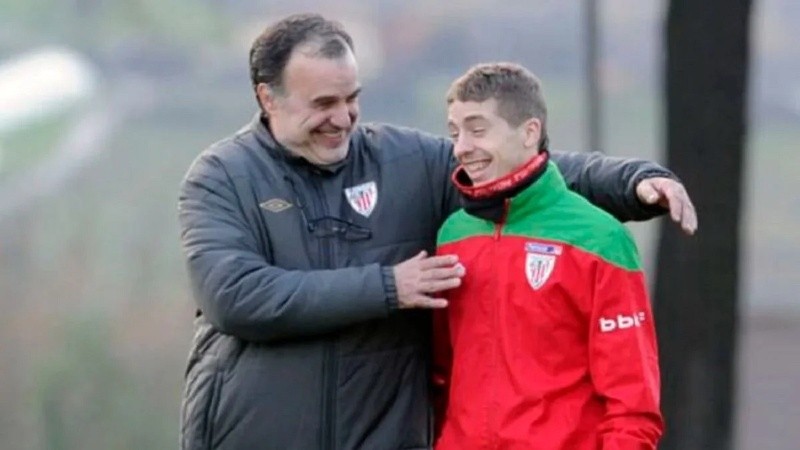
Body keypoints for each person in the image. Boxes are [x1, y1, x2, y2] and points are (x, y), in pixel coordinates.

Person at [177, 13, 688, 450]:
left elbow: (519, 165)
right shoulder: (222, 177)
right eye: (323, 104)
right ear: (268, 97)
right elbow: (236, 296)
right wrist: (388, 287)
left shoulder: (403, 163)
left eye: (351, 98)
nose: (343, 118)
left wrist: (632, 182)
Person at [432, 62, 663, 450]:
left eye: (477, 129)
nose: (461, 148)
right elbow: (440, 374)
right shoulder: (453, 234)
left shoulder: (600, 238)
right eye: (455, 133)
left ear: (529, 132)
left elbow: (633, 405)